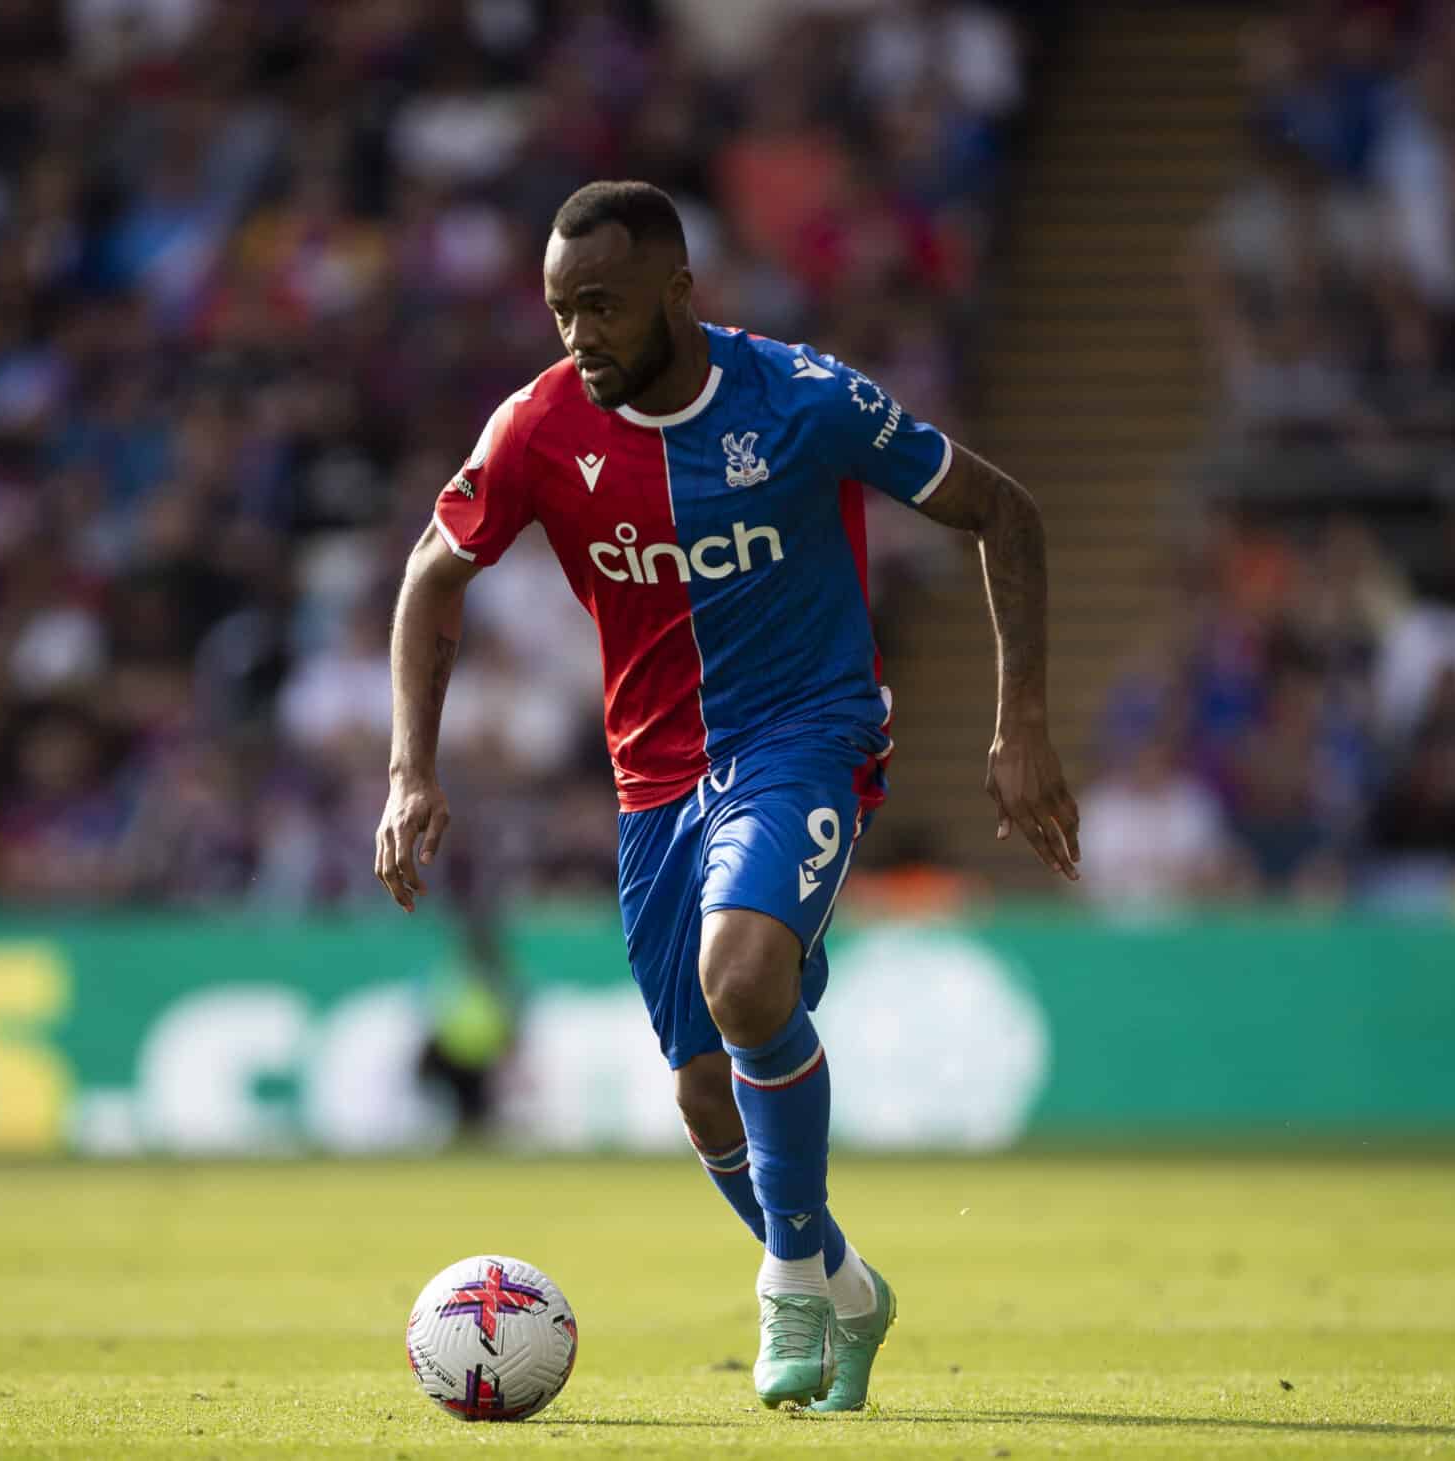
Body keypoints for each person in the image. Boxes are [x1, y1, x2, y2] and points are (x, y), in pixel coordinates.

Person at [373, 181, 1080, 1414]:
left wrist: (1018, 722)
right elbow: (433, 575)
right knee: (704, 1089)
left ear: (677, 294)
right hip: (653, 783)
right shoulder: (538, 429)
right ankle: (847, 1286)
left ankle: (786, 1282)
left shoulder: (800, 401)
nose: (577, 334)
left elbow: (998, 510)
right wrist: (407, 770)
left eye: (600, 305)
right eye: (557, 311)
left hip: (807, 735)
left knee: (743, 978)